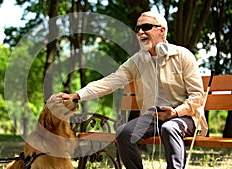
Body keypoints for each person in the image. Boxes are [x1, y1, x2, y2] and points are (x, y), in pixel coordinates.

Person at [61, 11, 208, 169]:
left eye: (146, 27)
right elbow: (109, 81)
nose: (140, 32)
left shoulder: (183, 56)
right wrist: (77, 95)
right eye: (138, 28)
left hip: (184, 116)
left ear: (162, 30)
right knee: (124, 132)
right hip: (152, 118)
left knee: (169, 127)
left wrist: (175, 112)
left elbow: (197, 95)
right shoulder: (137, 61)